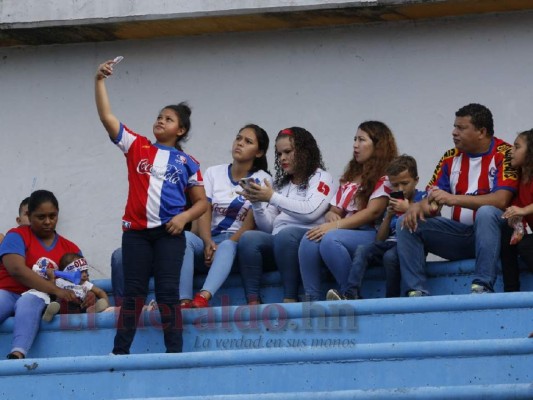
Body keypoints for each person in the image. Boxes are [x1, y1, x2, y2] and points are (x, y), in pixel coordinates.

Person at [95, 59, 208, 355]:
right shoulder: (137, 146)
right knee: (133, 294)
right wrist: (99, 82)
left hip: (169, 235)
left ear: (180, 130)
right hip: (136, 234)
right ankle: (119, 353)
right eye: (159, 117)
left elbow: (202, 203)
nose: (160, 121)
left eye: (168, 119)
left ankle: (175, 353)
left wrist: (183, 217)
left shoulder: (188, 162)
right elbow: (107, 117)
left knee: (168, 293)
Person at [398, 103, 519, 296]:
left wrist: (453, 199)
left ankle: (482, 286)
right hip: (461, 237)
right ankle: (416, 292)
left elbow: (501, 200)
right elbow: (435, 202)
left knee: (487, 213)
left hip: (496, 236)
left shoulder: (505, 154)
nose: (454, 133)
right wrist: (419, 207)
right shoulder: (449, 158)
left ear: (481, 131)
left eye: (461, 128)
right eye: (454, 127)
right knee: (405, 222)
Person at [298, 121, 398, 301]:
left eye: (361, 140)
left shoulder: (386, 177)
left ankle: (350, 294)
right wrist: (331, 215)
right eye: (355, 139)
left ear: (378, 145)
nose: (355, 145)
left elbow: (372, 213)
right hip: (345, 230)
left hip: (371, 233)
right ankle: (311, 299)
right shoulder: (352, 175)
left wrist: (335, 226)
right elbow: (335, 208)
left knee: (330, 239)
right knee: (309, 239)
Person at [238, 127, 335, 304]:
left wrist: (272, 197)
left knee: (285, 235)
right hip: (279, 243)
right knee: (249, 238)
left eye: (288, 152)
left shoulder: (321, 177)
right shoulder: (282, 184)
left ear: (305, 152)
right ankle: (252, 300)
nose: (282, 158)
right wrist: (257, 203)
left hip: (306, 239)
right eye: (279, 153)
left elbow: (311, 211)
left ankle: (290, 297)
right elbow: (269, 226)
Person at [181, 124, 271, 308]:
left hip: (236, 248)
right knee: (185, 237)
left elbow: (250, 225)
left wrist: (220, 247)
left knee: (227, 245)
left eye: (248, 141)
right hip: (209, 243)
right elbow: (204, 209)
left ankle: (203, 298)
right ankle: (183, 300)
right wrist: (207, 242)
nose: (240, 143)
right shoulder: (214, 172)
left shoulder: (262, 179)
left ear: (259, 152)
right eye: (238, 138)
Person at [328, 155, 425, 300]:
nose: (400, 189)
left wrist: (408, 208)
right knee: (362, 249)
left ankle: (391, 298)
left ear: (416, 180)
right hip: (388, 243)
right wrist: (389, 216)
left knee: (390, 257)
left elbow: (431, 220)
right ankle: (351, 293)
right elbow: (380, 239)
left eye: (405, 183)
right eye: (395, 185)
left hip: (408, 247)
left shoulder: (422, 198)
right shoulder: (391, 203)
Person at [0, 190, 80, 359]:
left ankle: (18, 353)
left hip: (39, 296)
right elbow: (17, 270)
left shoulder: (71, 248)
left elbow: (80, 280)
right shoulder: (16, 235)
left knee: (27, 302)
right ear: (28, 215)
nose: (48, 222)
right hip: (8, 292)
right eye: (41, 217)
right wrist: (56, 289)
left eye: (53, 216)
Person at [500, 129, 533, 292]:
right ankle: (511, 291)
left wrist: (524, 210)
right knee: (508, 232)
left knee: (526, 245)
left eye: (517, 147)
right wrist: (518, 225)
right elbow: (516, 209)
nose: (510, 151)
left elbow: (522, 209)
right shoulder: (519, 179)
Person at [42, 253, 110, 321]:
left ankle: (93, 309)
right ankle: (50, 312)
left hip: (82, 307)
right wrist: (51, 279)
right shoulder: (60, 281)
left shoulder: (85, 283)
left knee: (91, 296)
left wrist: (106, 302)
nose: (85, 275)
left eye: (86, 271)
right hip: (66, 307)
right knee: (60, 300)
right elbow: (51, 291)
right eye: (81, 272)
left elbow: (99, 291)